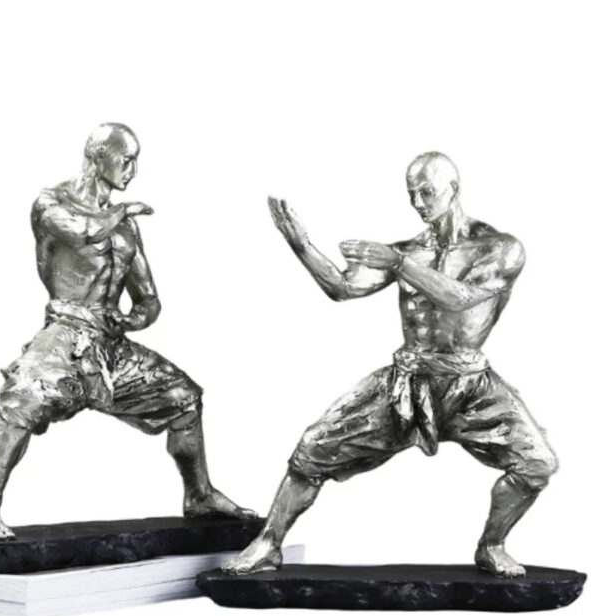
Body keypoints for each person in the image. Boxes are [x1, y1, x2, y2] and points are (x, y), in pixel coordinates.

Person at [223, 152, 557, 577]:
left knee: (537, 464)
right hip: (407, 381)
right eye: (412, 193)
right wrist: (300, 244)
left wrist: (398, 264)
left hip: (471, 385)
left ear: (453, 188)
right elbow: (342, 288)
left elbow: (459, 298)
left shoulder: (499, 248)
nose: (418, 202)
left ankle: (492, 545)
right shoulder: (409, 251)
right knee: (312, 449)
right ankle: (269, 543)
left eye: (427, 192)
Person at [0, 123, 254, 539]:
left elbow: (148, 299)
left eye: (137, 161)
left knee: (184, 398)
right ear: (98, 156)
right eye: (126, 159)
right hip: (65, 333)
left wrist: (133, 320)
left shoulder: (125, 228)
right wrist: (121, 211)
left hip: (110, 344)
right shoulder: (51, 203)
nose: (132, 170)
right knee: (21, 398)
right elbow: (82, 232)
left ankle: (200, 494)